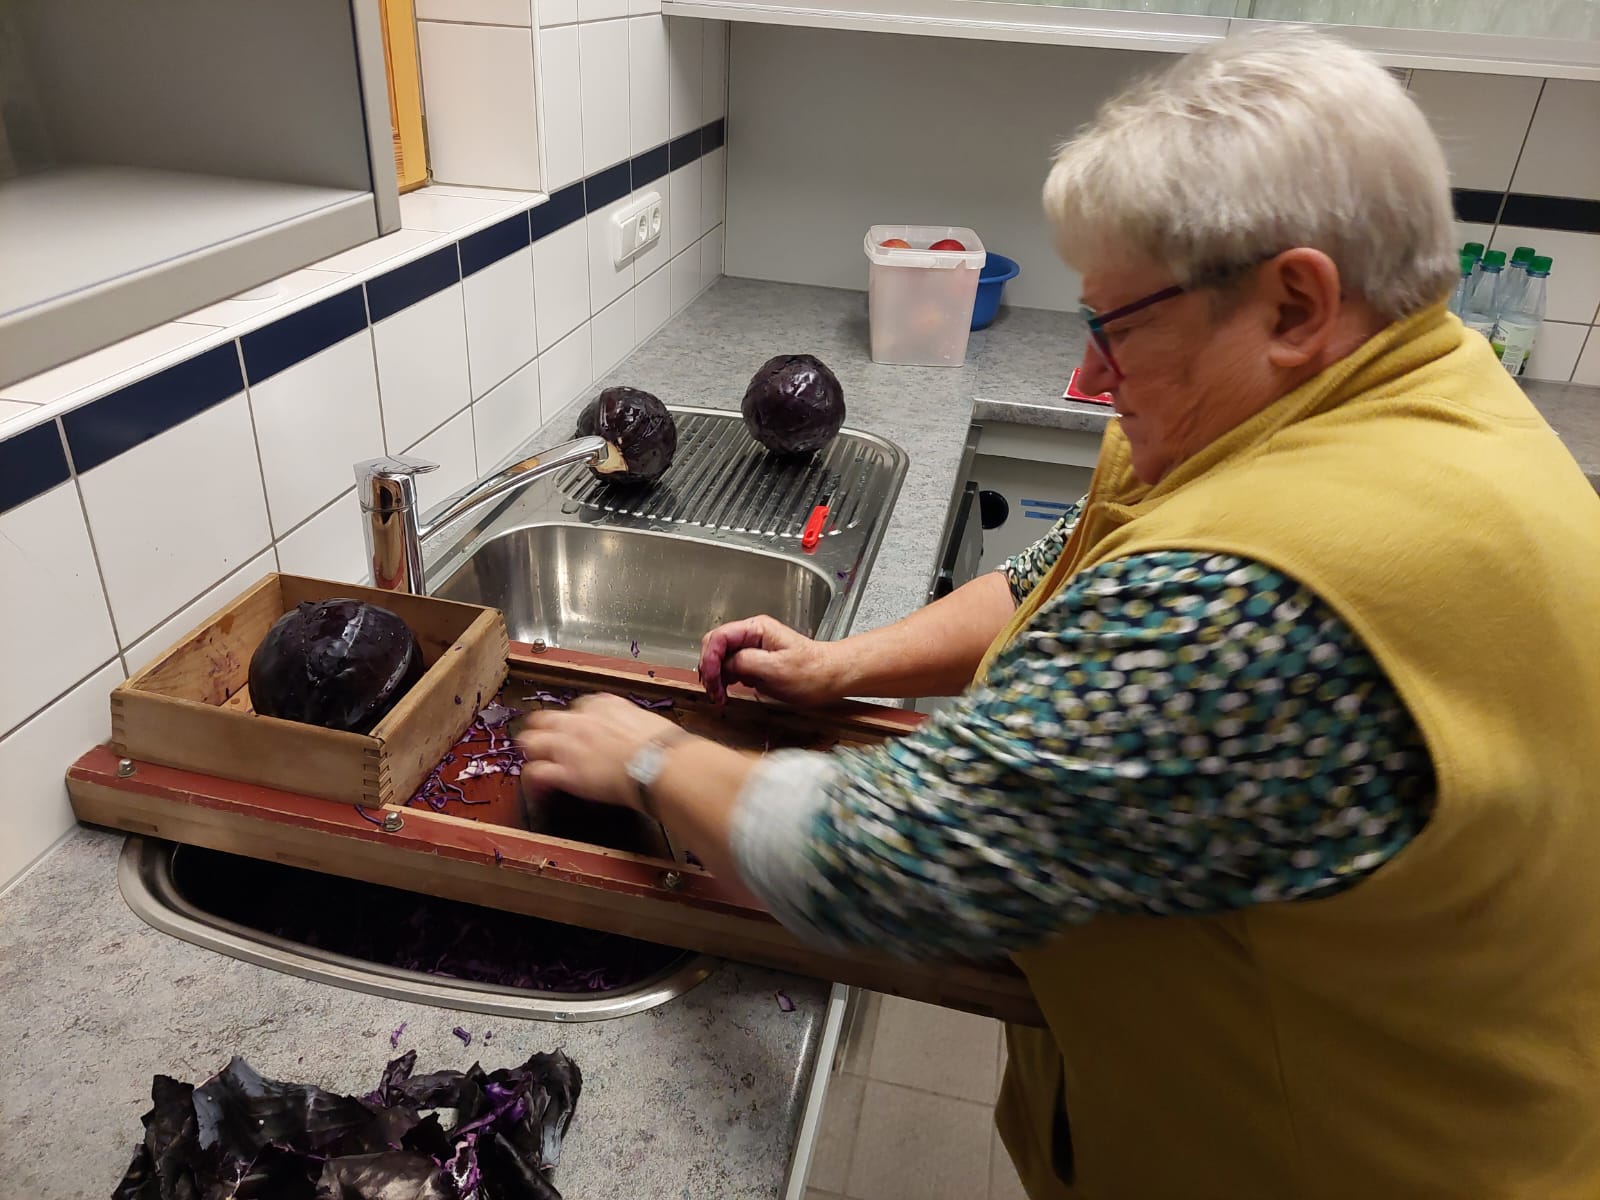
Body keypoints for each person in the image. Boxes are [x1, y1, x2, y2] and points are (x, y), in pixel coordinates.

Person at [517, 26, 1600, 1199]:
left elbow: (889, 861)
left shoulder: (1255, 597)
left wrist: (653, 759)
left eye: (1116, 326)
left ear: (1294, 304)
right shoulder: (1393, 398)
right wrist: (844, 666)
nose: (1092, 374)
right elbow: (1060, 578)